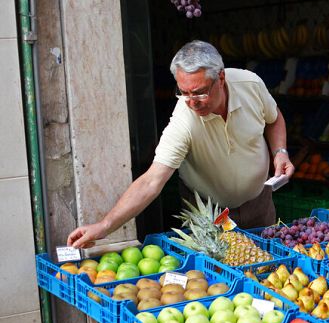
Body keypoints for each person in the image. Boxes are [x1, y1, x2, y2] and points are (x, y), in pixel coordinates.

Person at [68, 40, 293, 248]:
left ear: (221, 78)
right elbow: (151, 181)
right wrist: (104, 226)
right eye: (183, 92)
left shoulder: (250, 85)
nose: (192, 102)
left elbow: (274, 119)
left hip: (259, 202)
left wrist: (280, 151)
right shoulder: (184, 120)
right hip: (210, 217)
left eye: (199, 92)